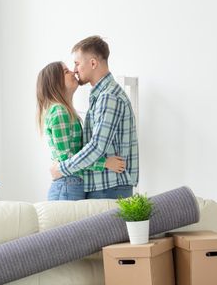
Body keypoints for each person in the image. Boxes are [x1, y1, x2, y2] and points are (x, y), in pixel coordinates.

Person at [50, 36, 139, 199]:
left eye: (77, 63)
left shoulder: (108, 97)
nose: (75, 70)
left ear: (92, 63)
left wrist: (61, 168)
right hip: (105, 186)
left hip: (109, 188)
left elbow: (97, 147)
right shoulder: (101, 96)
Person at [36, 61, 126, 201]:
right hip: (67, 184)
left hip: (71, 184)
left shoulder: (66, 111)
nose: (73, 72)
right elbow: (67, 160)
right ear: (55, 83)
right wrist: (105, 163)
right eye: (66, 72)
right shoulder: (59, 112)